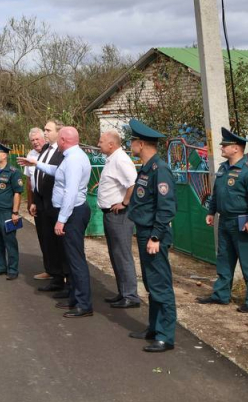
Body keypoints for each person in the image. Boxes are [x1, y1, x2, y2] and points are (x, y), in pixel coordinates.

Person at [196, 128, 248, 313]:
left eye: (225, 145)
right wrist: (212, 211)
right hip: (225, 220)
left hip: (242, 222)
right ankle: (221, 295)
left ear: (235, 148)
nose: (221, 147)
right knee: (224, 260)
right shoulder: (223, 168)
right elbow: (217, 192)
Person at [24, 126, 92, 317]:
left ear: (63, 140)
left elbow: (70, 193)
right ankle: (74, 297)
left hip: (73, 213)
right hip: (72, 212)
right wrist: (35, 163)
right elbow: (56, 171)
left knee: (76, 259)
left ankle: (83, 303)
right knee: (70, 258)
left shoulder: (74, 160)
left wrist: (61, 220)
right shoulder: (70, 157)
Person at [125, 119, 177, 353]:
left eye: (132, 140)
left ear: (141, 143)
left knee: (160, 285)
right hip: (145, 231)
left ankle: (166, 336)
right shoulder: (146, 168)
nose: (130, 144)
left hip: (154, 234)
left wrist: (155, 237)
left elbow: (166, 208)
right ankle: (154, 328)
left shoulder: (160, 169)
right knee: (151, 283)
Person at [97, 129, 140, 309]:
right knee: (115, 255)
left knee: (122, 255)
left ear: (111, 144)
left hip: (119, 215)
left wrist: (125, 202)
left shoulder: (120, 159)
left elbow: (133, 182)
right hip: (110, 214)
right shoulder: (113, 158)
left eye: (100, 142)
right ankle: (123, 292)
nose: (98, 144)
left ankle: (131, 295)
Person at [32, 120, 67, 294]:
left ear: (58, 132)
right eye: (44, 129)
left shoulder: (62, 152)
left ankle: (63, 277)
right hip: (41, 202)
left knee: (58, 242)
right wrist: (34, 200)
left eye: (48, 130)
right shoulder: (45, 149)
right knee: (47, 241)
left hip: (54, 203)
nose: (45, 133)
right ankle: (55, 275)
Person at [0, 140, 25, 280]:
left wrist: (15, 212)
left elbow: (17, 193)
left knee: (10, 242)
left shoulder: (13, 172)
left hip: (6, 213)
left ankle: (13, 270)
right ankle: (1, 267)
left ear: (4, 155)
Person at [22, 127, 52, 280]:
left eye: (37, 139)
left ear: (44, 139)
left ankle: (63, 272)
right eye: (32, 140)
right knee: (42, 235)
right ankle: (49, 270)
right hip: (38, 199)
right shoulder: (30, 155)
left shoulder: (51, 153)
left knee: (55, 236)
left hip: (52, 200)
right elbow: (29, 181)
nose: (35, 143)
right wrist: (30, 201)